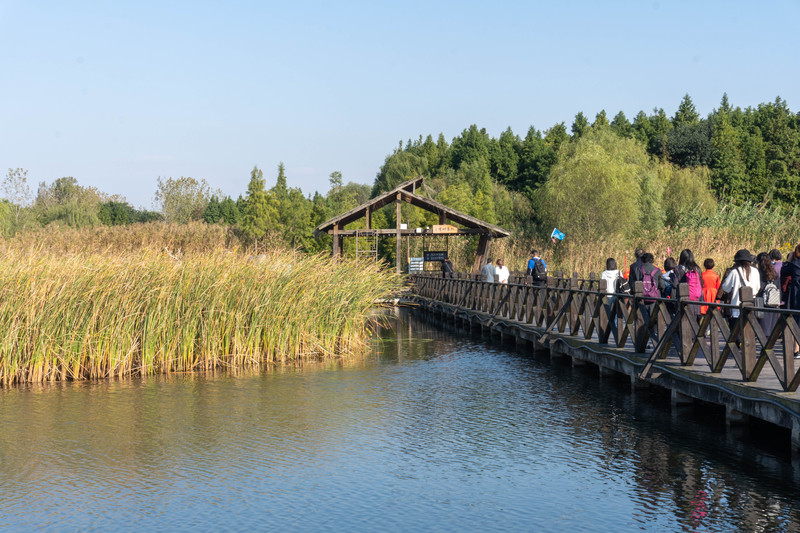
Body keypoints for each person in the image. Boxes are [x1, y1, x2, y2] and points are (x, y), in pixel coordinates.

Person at [720, 249, 761, 330]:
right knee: (749, 333)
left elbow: (726, 288)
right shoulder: (755, 271)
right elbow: (757, 288)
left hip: (736, 307)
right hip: (751, 306)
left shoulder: (734, 272)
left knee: (736, 334)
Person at [780, 244, 800, 358]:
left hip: (796, 296)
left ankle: (796, 349)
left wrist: (788, 260)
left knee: (795, 320)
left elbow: (783, 272)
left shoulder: (794, 264)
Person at [756, 253, 780, 339]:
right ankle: (768, 348)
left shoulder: (759, 274)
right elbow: (778, 287)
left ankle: (765, 349)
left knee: (762, 329)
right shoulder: (774, 274)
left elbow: (758, 288)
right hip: (773, 302)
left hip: (761, 303)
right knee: (771, 328)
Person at [600, 258, 625, 340]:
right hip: (617, 294)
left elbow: (602, 283)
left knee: (608, 313)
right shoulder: (618, 272)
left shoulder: (604, 273)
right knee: (617, 312)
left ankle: (610, 329)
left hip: (607, 294)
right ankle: (617, 329)